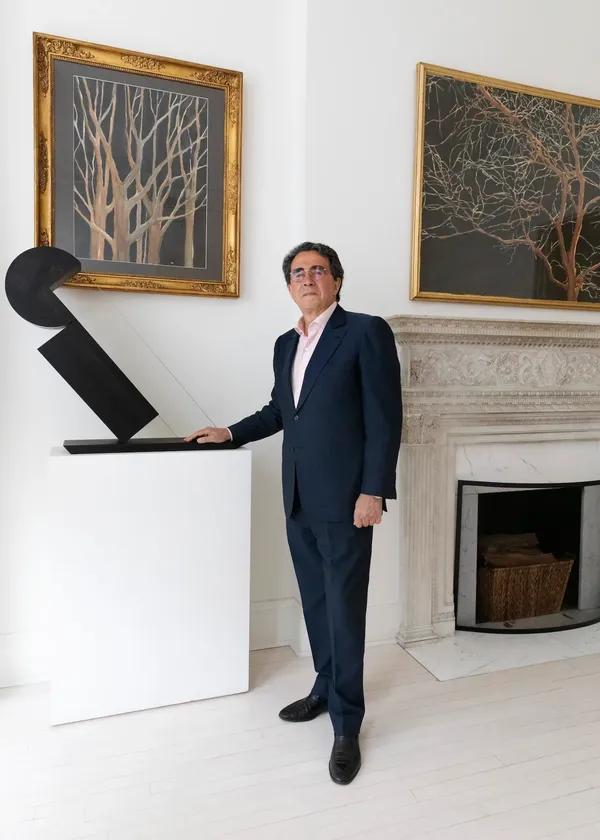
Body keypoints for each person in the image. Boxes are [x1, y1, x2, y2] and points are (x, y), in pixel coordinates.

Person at [185, 242, 402, 784]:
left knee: (345, 611)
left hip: (348, 500)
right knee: (316, 602)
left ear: (336, 281)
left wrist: (373, 491)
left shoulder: (365, 332)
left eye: (318, 270)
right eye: (298, 272)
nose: (308, 278)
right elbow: (281, 411)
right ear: (289, 287)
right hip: (299, 497)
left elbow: (385, 418)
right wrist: (230, 432)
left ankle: (347, 725)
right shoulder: (286, 343)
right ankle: (325, 689)